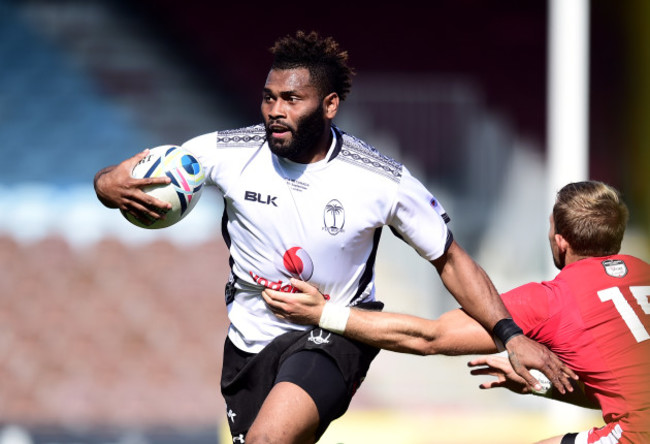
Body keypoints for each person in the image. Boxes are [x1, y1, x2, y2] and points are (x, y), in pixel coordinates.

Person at [94, 30, 574, 444]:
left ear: (329, 105)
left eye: (291, 99)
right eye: (269, 97)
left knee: (267, 438)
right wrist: (107, 185)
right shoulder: (222, 152)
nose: (275, 111)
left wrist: (507, 334)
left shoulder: (380, 179)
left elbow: (450, 260)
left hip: (336, 332)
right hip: (250, 340)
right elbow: (130, 177)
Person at [262, 180, 650, 444]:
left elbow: (430, 337)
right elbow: (626, 396)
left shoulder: (550, 300)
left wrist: (324, 314)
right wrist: (545, 386)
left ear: (560, 241)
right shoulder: (643, 273)